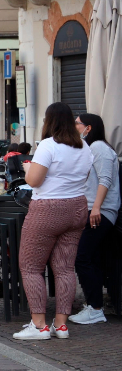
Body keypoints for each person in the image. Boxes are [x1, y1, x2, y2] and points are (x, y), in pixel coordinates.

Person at [13, 102, 93, 340]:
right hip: (77, 207)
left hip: (48, 208)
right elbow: (84, 177)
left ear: (49, 122)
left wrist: (27, 167)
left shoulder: (48, 145)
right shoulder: (84, 146)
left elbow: (35, 181)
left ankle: (39, 326)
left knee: (30, 266)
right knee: (65, 268)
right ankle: (61, 325)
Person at [69, 113, 121, 326]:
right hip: (95, 210)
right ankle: (94, 304)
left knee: (82, 257)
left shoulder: (99, 148)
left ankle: (95, 308)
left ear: (88, 128)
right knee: (92, 258)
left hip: (101, 211)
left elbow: (105, 180)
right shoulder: (91, 149)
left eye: (77, 124)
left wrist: (97, 208)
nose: (74, 126)